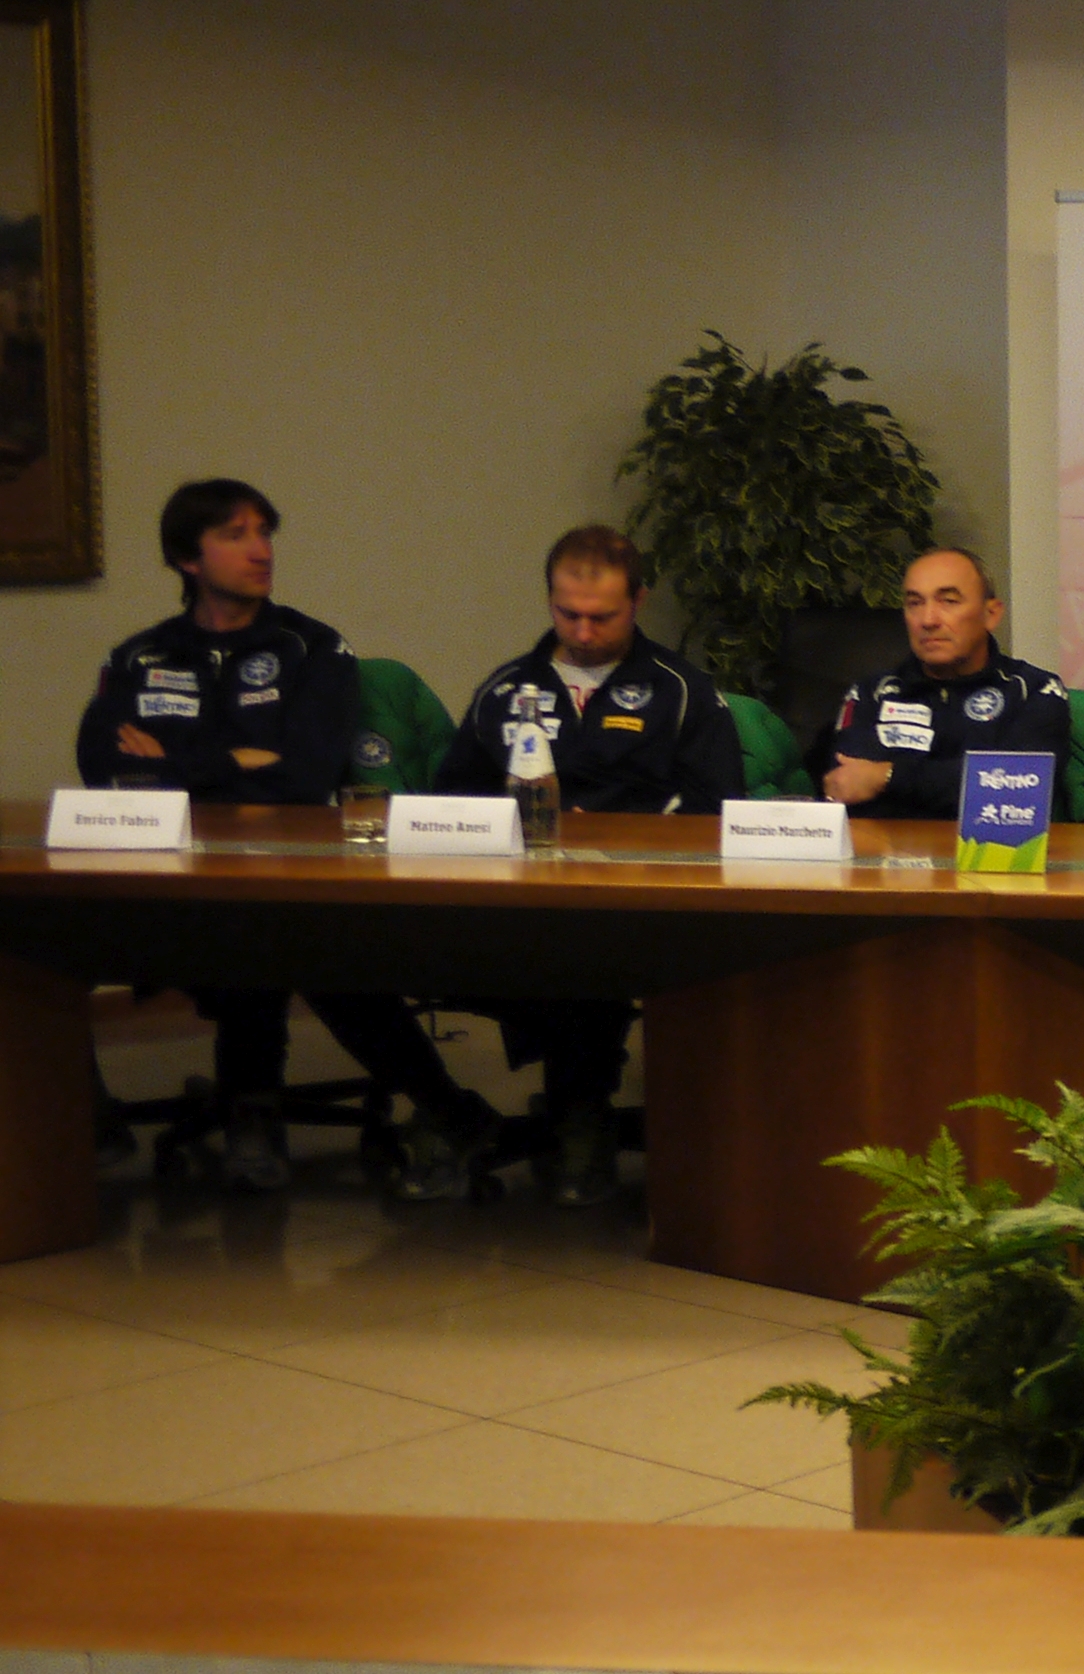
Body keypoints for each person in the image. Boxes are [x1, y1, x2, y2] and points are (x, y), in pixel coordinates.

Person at [78, 479, 499, 1191]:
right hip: (166, 881)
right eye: (236, 534)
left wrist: (173, 762)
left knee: (274, 933)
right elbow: (104, 769)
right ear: (187, 557)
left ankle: (265, 1114)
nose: (260, 549)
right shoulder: (140, 657)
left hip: (284, 882)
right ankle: (92, 1122)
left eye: (264, 532)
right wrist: (235, 760)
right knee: (38, 935)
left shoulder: (312, 649)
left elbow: (304, 777)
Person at [414, 525, 741, 1204]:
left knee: (584, 944)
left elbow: (715, 806)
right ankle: (456, 1106)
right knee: (366, 950)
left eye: (603, 617)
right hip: (514, 895)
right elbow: (452, 798)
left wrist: (613, 829)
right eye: (568, 615)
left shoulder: (680, 690)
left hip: (633, 901)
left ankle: (581, 1117)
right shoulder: (507, 687)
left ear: (638, 601)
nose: (584, 632)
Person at [822, 547, 1074, 821]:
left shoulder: (1034, 690)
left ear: (991, 614)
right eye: (915, 603)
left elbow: (1019, 792)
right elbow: (848, 785)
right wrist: (965, 780)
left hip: (991, 849)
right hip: (887, 847)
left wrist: (888, 776)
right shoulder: (872, 693)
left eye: (949, 601)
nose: (928, 620)